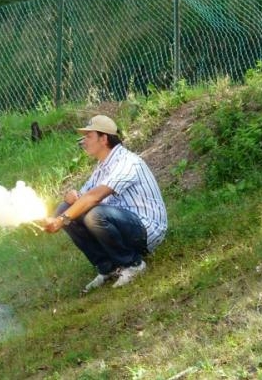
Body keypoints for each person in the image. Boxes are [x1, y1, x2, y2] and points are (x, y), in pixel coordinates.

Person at [42, 115, 168, 292]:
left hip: (146, 230)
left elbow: (94, 198)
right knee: (69, 209)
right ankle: (107, 268)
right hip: (123, 226)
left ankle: (133, 263)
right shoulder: (102, 167)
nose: (83, 141)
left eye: (88, 136)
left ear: (104, 138)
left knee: (94, 214)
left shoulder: (127, 162)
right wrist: (69, 199)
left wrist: (61, 219)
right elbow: (83, 199)